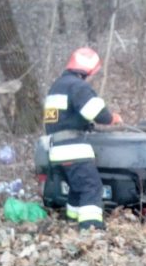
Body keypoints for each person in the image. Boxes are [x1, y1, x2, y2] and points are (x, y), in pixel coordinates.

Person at [43, 47, 123, 230]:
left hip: (56, 150)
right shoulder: (78, 86)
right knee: (91, 187)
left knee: (76, 188)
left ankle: (72, 220)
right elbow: (96, 113)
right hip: (73, 148)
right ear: (88, 69)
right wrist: (112, 118)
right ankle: (91, 228)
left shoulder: (57, 86)